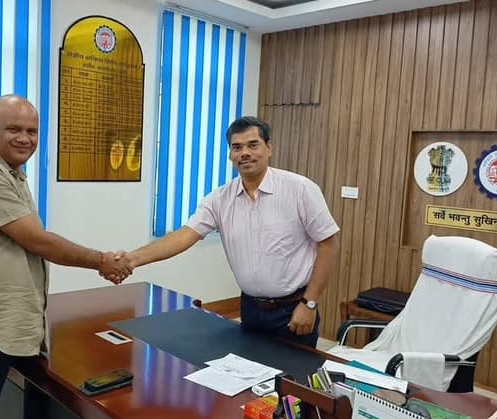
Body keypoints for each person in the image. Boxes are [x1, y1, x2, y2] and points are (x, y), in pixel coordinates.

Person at [0, 94, 132, 419]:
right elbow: (35, 240)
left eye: (32, 131)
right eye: (14, 129)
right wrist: (102, 261)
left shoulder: (12, 173)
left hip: (0, 323)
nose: (24, 138)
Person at [113, 116, 339, 347]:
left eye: (253, 145)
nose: (245, 153)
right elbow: (183, 236)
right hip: (250, 309)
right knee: (249, 366)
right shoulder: (220, 199)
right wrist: (132, 259)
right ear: (230, 155)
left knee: (294, 369)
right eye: (237, 147)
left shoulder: (300, 189)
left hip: (294, 308)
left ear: (269, 148)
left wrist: (310, 303)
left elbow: (328, 244)